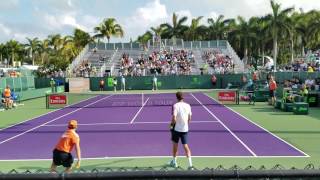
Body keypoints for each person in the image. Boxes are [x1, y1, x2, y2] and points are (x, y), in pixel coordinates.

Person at [168, 92, 193, 169]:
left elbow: (174, 118)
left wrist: (171, 125)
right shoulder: (188, 105)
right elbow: (190, 118)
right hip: (185, 129)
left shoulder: (175, 105)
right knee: (185, 146)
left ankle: (174, 162)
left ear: (177, 97)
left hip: (177, 129)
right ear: (183, 97)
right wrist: (186, 125)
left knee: (175, 145)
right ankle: (190, 165)